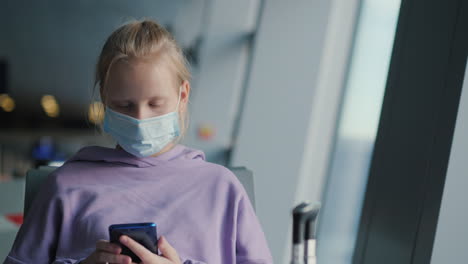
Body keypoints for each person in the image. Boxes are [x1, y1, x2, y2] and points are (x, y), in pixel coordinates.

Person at [3, 20, 273, 264]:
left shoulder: (221, 189)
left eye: (155, 104)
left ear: (182, 96)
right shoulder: (65, 187)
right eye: (125, 105)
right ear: (105, 99)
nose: (141, 118)